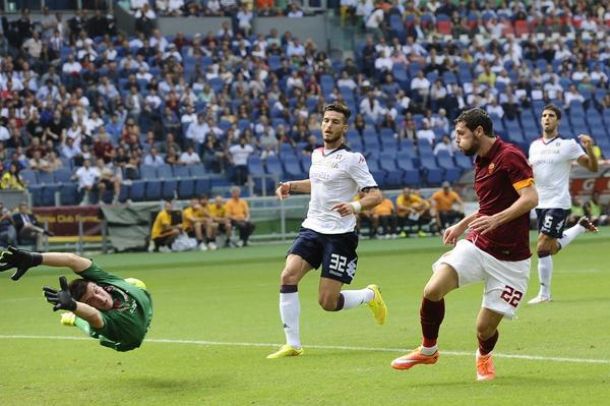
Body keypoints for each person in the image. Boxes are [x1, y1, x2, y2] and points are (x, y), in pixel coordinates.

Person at [390, 108, 538, 381]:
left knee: (484, 329)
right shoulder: (481, 162)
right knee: (433, 289)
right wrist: (461, 225)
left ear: (478, 131)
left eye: (461, 134)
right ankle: (428, 349)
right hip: (480, 244)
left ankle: (483, 356)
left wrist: (497, 220)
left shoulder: (510, 157)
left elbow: (530, 198)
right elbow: (487, 207)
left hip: (512, 260)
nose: (456, 140)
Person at [267, 103, 387, 359]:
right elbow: (318, 183)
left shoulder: (353, 159)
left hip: (340, 236)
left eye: (334, 121)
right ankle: (293, 344)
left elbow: (375, 196)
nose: (328, 125)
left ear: (344, 127)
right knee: (288, 276)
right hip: (312, 228)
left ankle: (369, 295)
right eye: (325, 120)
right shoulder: (316, 154)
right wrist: (291, 186)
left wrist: (354, 205)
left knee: (328, 303)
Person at [0, 246, 152, 352]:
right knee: (91, 327)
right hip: (129, 339)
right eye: (91, 300)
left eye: (97, 290)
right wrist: (73, 306)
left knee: (132, 282)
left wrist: (35, 258)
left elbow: (71, 260)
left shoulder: (104, 281)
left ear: (97, 284)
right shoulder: (104, 318)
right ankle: (73, 319)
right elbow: (92, 315)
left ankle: (78, 309)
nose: (100, 298)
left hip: (144, 307)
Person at [527, 104, 599, 305]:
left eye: (551, 115)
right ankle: (579, 227)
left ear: (557, 120)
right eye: (544, 115)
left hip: (558, 202)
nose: (546, 118)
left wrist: (589, 149)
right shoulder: (534, 146)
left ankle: (544, 294)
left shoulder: (568, 145)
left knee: (541, 245)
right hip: (540, 203)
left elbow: (593, 168)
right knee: (550, 248)